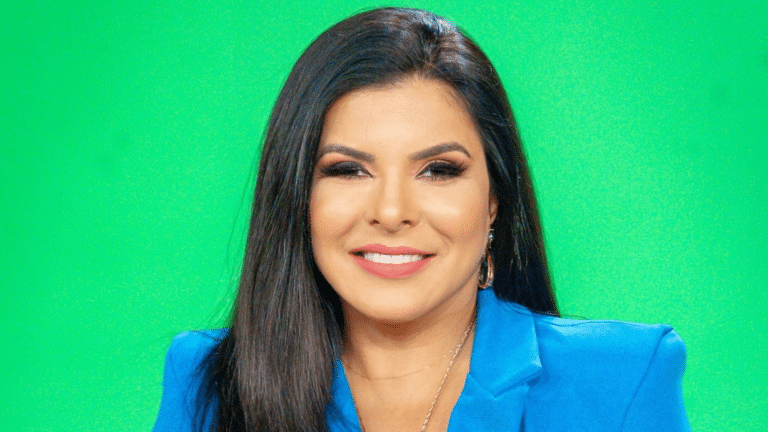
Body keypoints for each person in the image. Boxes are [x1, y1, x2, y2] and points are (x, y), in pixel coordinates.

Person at [152, 7, 690, 432]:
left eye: (438, 170)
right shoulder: (206, 380)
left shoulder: (623, 377)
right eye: (348, 170)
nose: (391, 213)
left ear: (495, 200)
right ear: (298, 197)